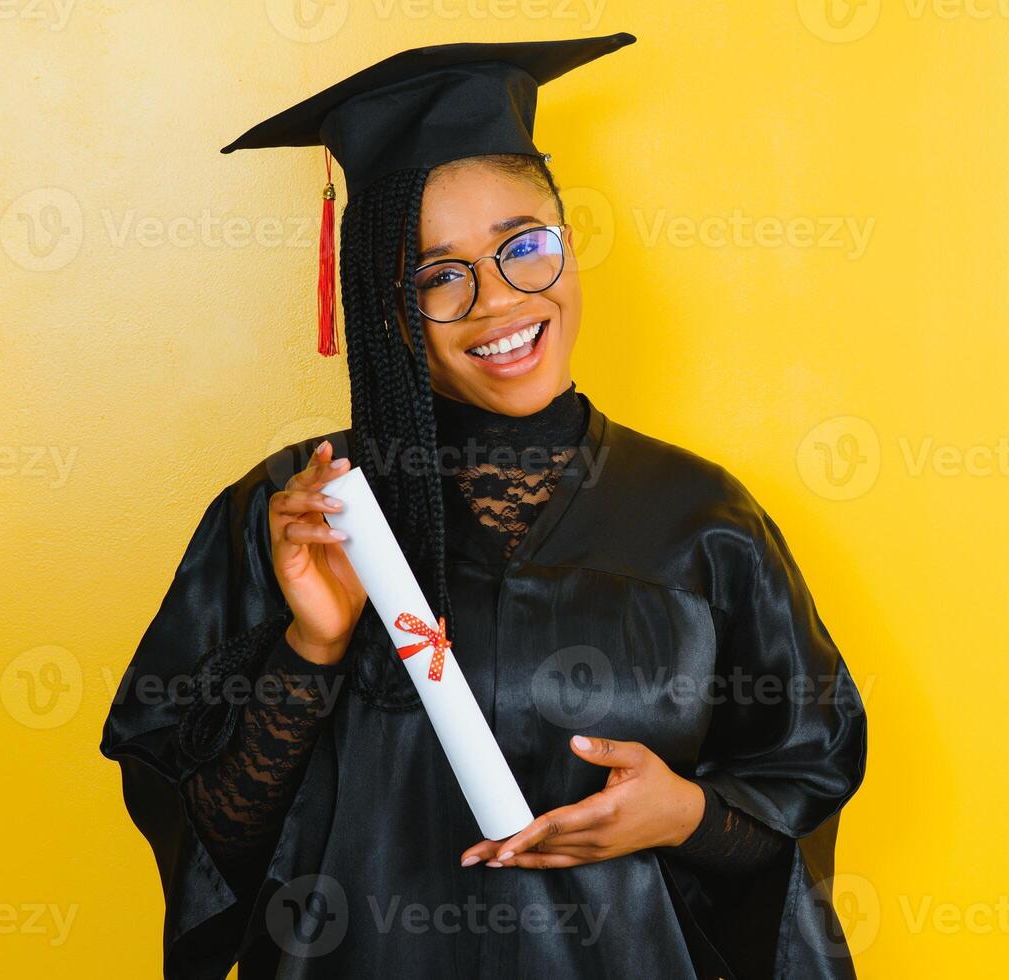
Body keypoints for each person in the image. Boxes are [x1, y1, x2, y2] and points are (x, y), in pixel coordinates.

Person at [100, 33, 868, 979]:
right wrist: (315, 646)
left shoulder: (701, 520)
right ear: (383, 303)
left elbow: (802, 786)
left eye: (524, 248)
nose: (498, 303)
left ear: (569, 244)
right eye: (436, 276)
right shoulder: (302, 515)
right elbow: (217, 843)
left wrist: (688, 813)